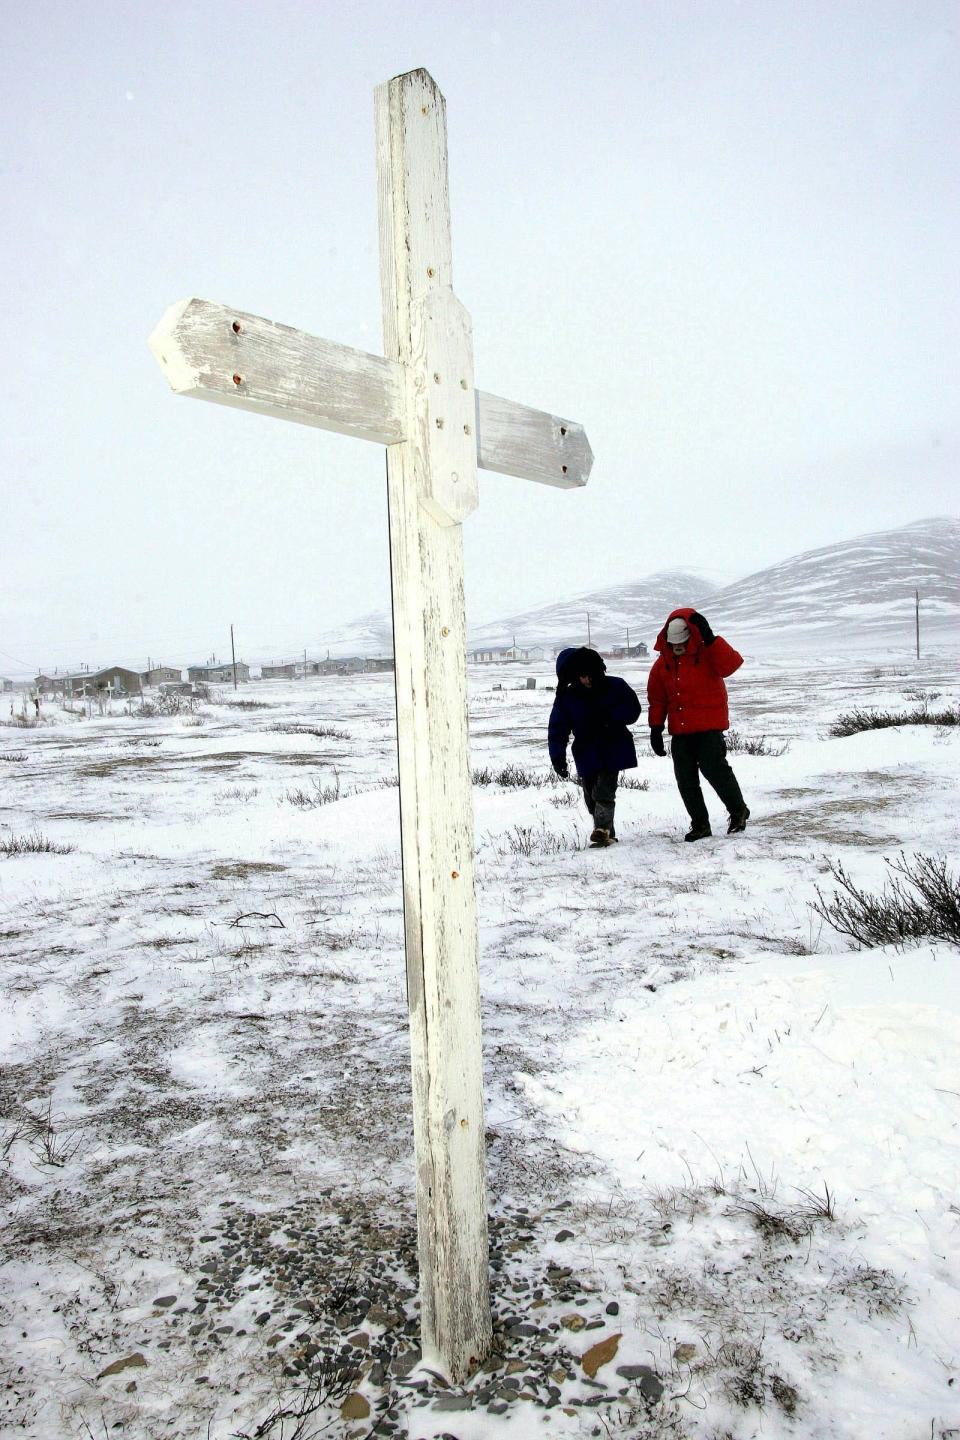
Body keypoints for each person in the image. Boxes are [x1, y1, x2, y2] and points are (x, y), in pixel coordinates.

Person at [647, 609, 749, 842]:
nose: (677, 648)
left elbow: (731, 665)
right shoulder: (663, 663)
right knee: (685, 779)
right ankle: (700, 824)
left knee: (715, 769)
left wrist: (711, 639)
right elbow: (657, 699)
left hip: (709, 728)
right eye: (673, 644)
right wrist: (656, 728)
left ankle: (738, 811)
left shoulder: (708, 653)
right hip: (681, 732)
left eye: (681, 643)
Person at [548, 646, 642, 847]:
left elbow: (633, 709)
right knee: (591, 797)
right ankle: (607, 832)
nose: (587, 680)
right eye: (582, 676)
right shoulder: (567, 697)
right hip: (586, 752)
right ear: (575, 676)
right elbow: (557, 729)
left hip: (613, 747)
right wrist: (557, 757)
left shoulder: (615, 686)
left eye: (590, 675)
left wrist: (612, 716)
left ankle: (601, 830)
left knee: (604, 792)